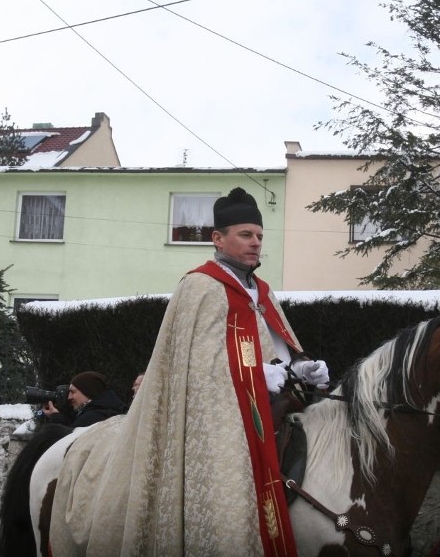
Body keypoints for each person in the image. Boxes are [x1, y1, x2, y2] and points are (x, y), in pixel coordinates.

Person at [48, 187, 329, 556]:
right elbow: (194, 369)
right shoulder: (200, 285)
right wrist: (256, 376)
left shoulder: (261, 291)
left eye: (259, 236)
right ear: (218, 238)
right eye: (246, 234)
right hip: (218, 425)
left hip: (269, 415)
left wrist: (301, 366)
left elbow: (276, 347)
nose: (256, 243)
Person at [41, 370, 127, 428]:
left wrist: (56, 418)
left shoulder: (92, 417)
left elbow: (68, 444)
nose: (69, 397)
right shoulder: (110, 410)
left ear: (88, 391)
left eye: (73, 392)